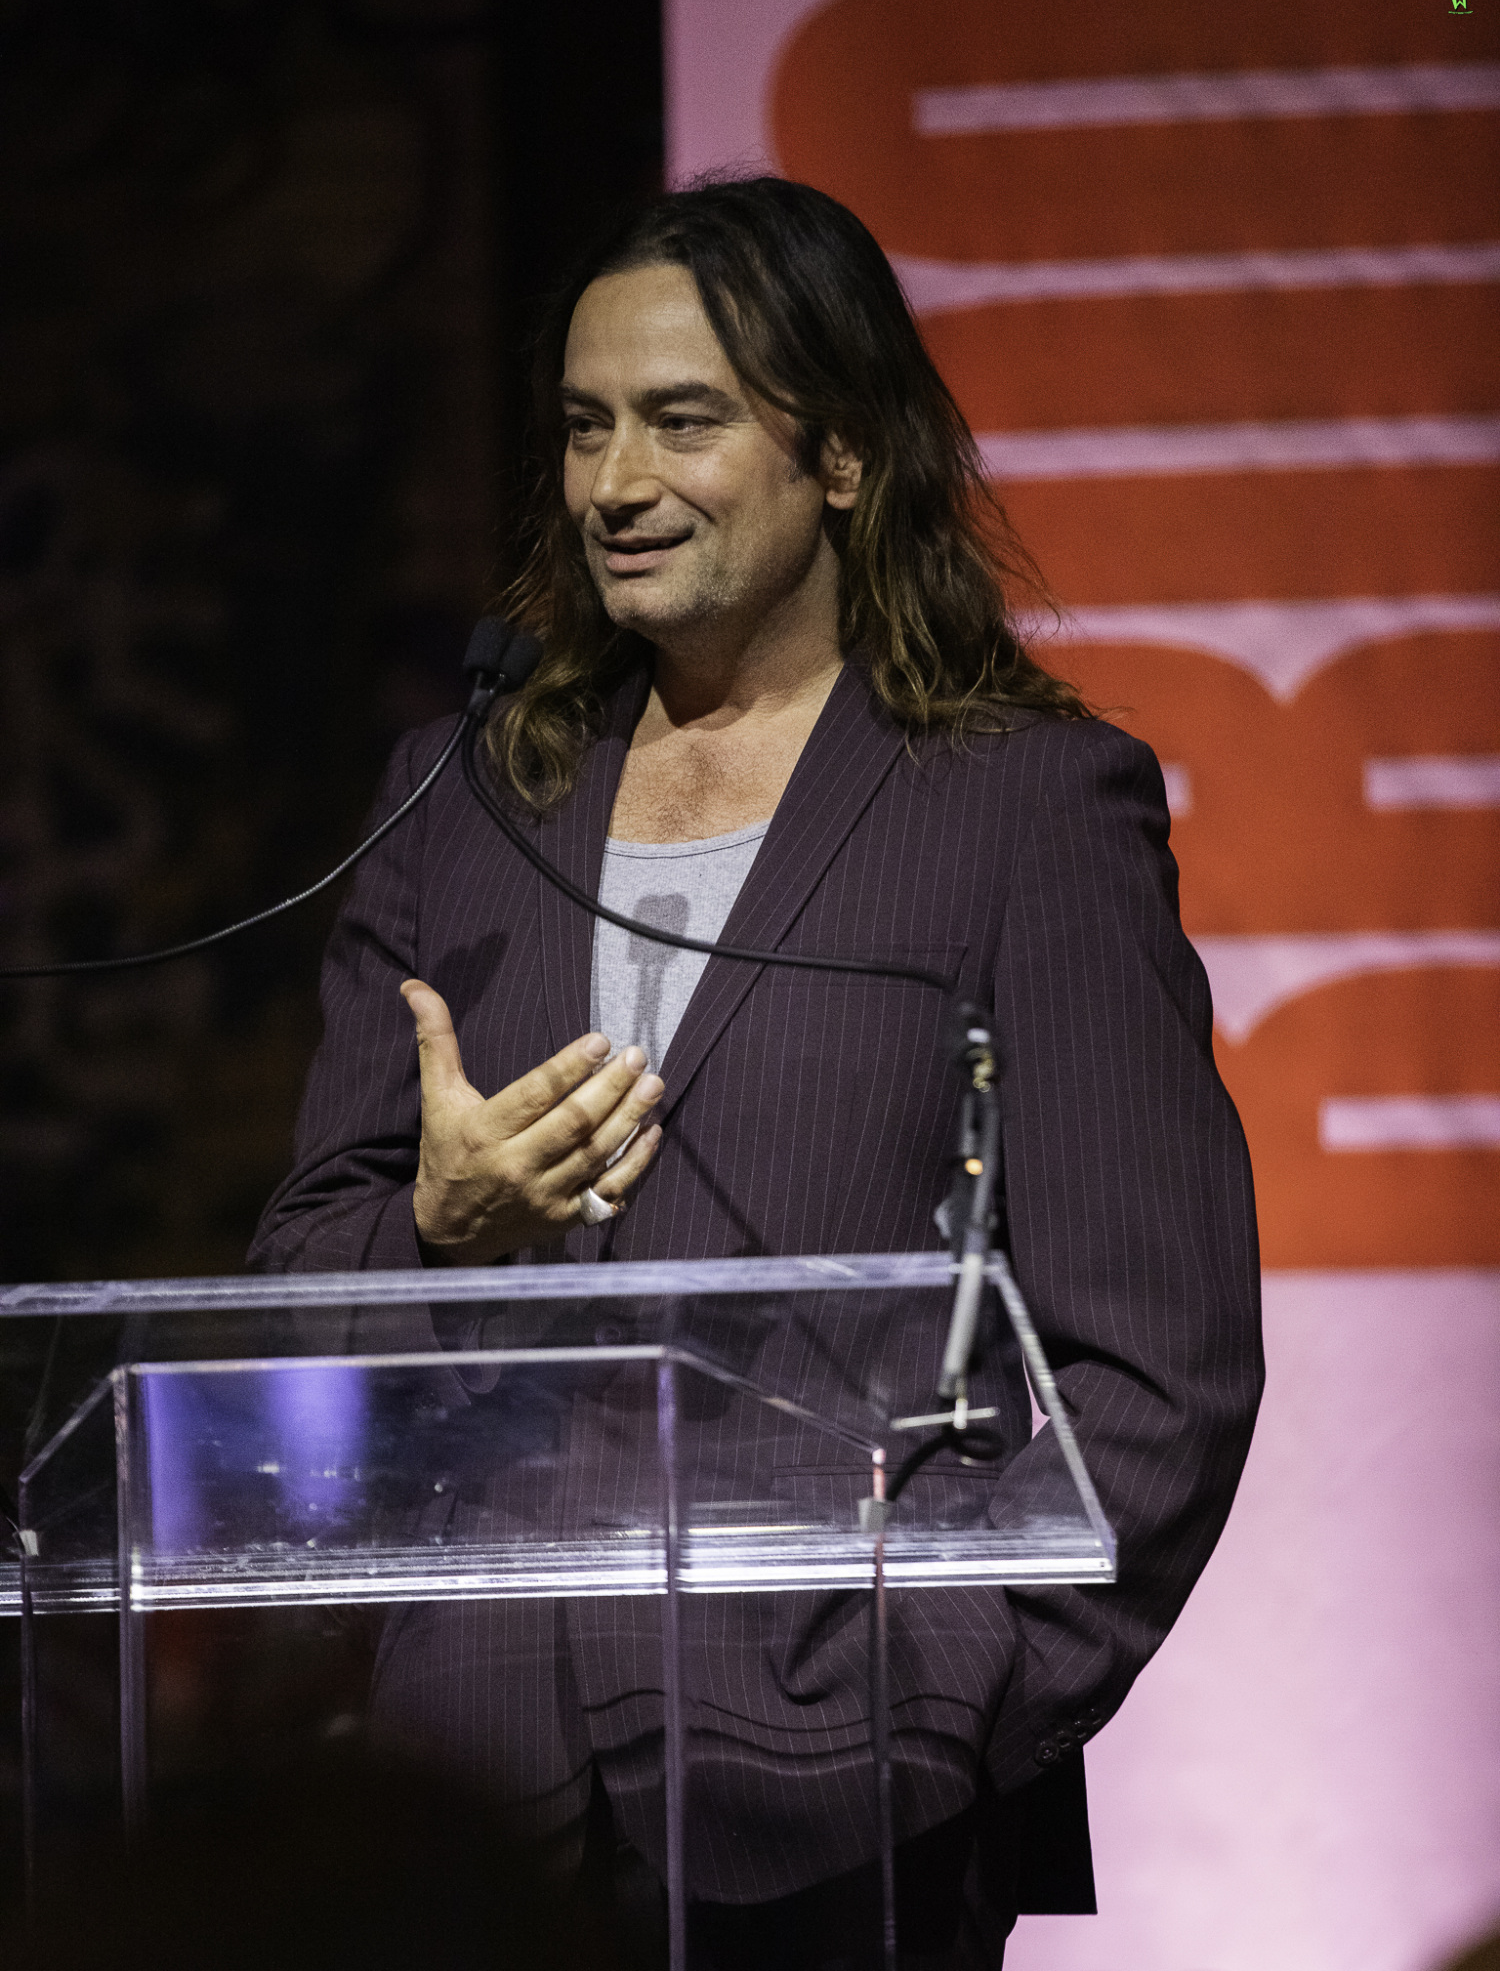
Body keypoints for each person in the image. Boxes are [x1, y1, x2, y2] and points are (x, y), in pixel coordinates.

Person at [250, 177, 1263, 1967]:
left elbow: (1159, 1369)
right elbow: (289, 1294)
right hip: (464, 1807)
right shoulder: (461, 800)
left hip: (848, 1804)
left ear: (847, 456)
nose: (613, 483)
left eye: (681, 421)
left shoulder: (1029, 807)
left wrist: (938, 1690)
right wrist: (440, 1227)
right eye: (583, 428)